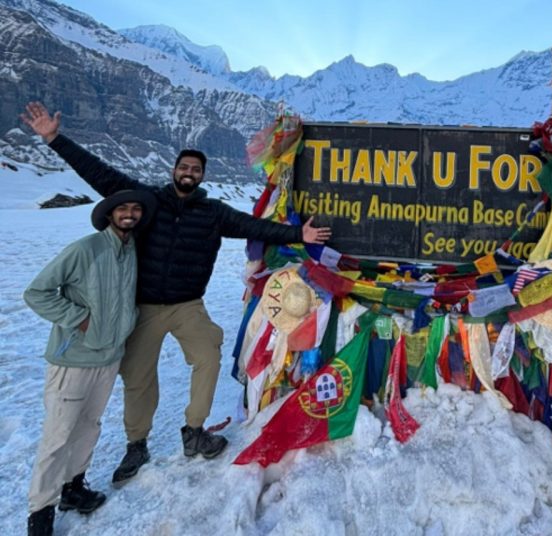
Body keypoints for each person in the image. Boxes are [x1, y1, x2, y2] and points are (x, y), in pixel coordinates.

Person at [20, 102, 332, 488]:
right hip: (145, 306)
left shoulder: (214, 212)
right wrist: (53, 138)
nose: (188, 173)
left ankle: (195, 430)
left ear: (202, 176)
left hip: (188, 306)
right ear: (174, 171)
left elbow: (254, 226)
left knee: (207, 354)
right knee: (138, 377)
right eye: (183, 168)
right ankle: (137, 444)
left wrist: (297, 235)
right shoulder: (147, 202)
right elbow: (99, 173)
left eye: (195, 170)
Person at [24, 190, 156, 536]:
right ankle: (40, 511)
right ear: (109, 214)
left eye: (135, 209)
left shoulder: (130, 252)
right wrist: (77, 318)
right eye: (122, 209)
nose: (129, 214)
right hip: (74, 360)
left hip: (109, 358)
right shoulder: (85, 249)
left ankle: (73, 487)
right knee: (57, 436)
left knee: (89, 426)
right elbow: (36, 292)